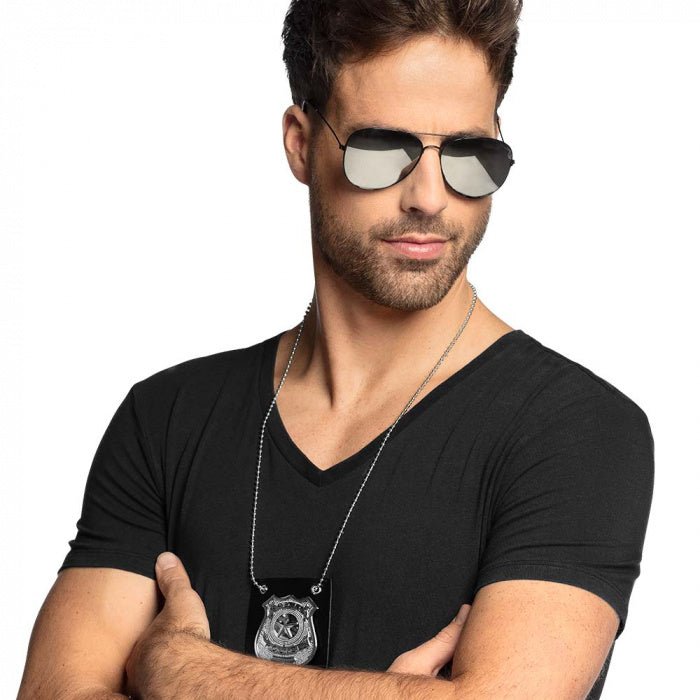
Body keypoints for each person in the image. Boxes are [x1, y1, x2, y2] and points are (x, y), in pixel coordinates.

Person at [18, 1, 654, 698]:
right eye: (382, 151)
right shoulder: (167, 418)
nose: (429, 198)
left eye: (469, 155)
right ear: (300, 143)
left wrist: (179, 673)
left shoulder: (578, 429)